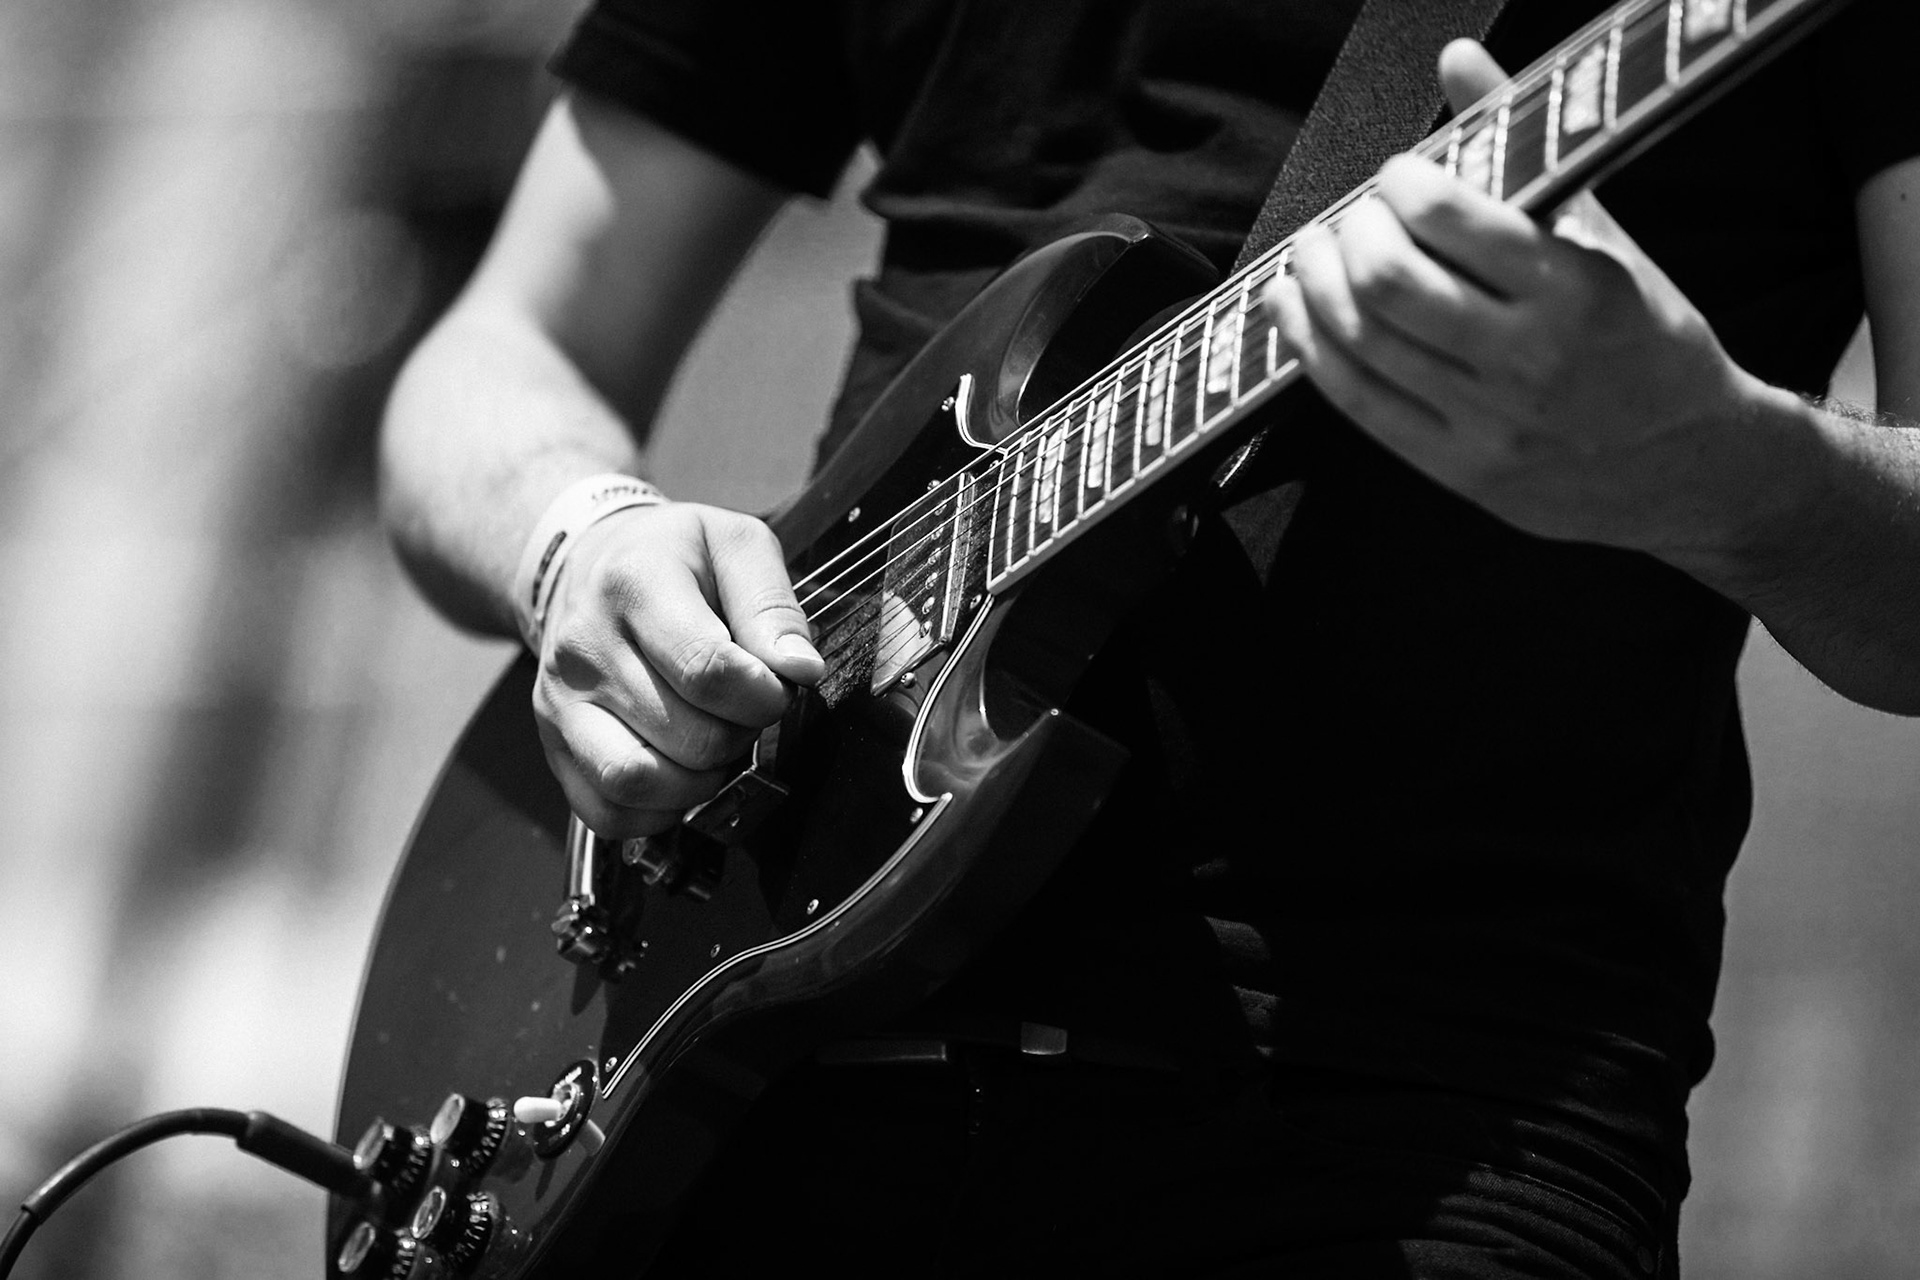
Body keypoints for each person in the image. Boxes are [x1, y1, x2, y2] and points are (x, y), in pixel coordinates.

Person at [378, 1, 1920, 1274]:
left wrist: (1732, 468)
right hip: (730, 1081)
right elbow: (508, 349)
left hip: (1409, 1130)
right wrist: (574, 541)